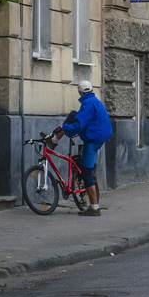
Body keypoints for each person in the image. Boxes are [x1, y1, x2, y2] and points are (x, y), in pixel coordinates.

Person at [60, 80, 112, 216]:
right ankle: (54, 138)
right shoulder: (94, 100)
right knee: (72, 114)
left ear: (80, 92)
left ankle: (94, 207)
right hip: (100, 135)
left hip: (93, 138)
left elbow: (79, 126)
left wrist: (65, 129)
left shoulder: (87, 104)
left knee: (86, 172)